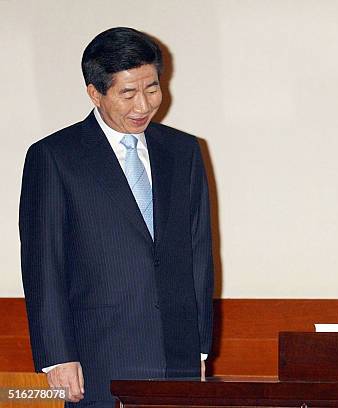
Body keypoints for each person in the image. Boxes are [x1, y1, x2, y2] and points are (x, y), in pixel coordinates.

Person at [19, 27, 214, 407]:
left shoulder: (183, 151)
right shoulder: (55, 157)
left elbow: (198, 253)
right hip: (98, 354)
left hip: (179, 357)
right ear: (95, 92)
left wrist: (200, 347)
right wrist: (57, 356)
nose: (143, 105)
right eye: (127, 93)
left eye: (152, 88)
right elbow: (43, 263)